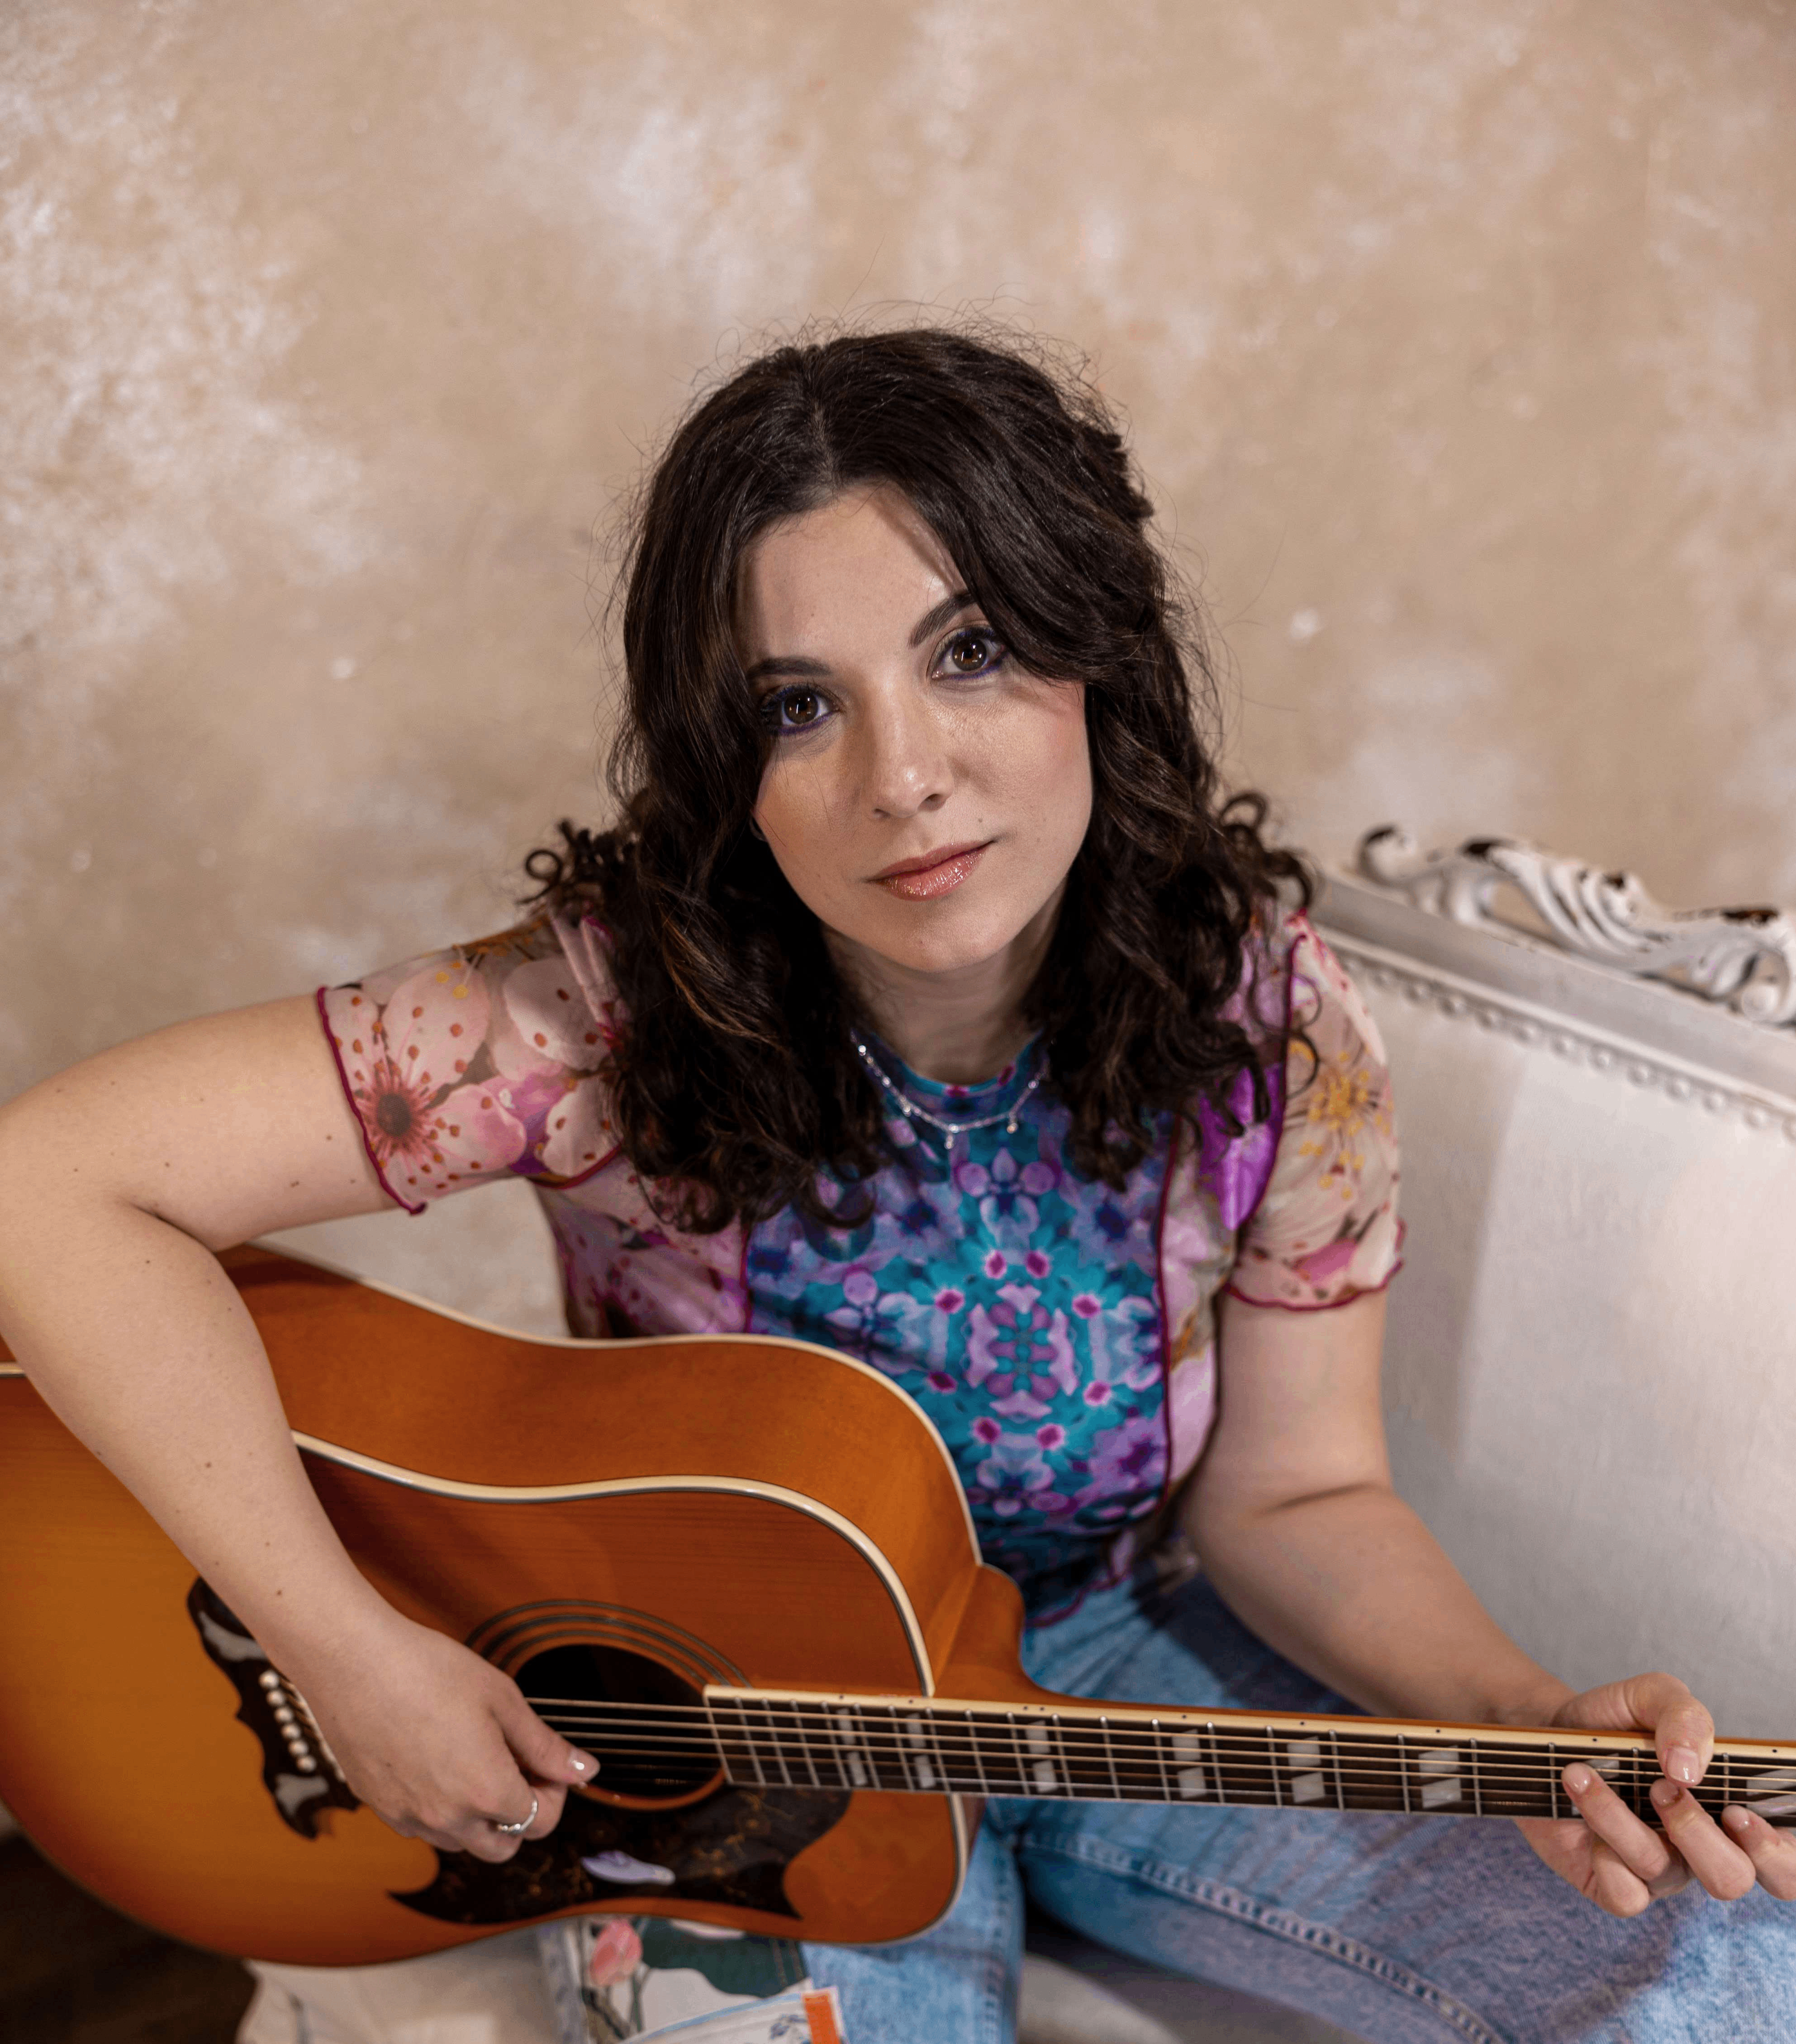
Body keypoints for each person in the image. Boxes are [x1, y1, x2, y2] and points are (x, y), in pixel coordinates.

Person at [1, 325, 1791, 2044]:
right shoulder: (592, 1025)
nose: (902, 777)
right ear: (729, 768)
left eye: (967, 652)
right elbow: (46, 1188)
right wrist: (344, 1650)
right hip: (715, 1719)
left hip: (1111, 1650)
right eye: (798, 706)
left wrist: (1520, 1721)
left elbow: (1299, 1491)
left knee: (1716, 1976)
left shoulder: (1268, 1030)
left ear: (1098, 655)